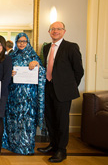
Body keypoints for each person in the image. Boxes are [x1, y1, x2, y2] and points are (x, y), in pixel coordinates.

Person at [37, 21, 84, 163]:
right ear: (49, 32)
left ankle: (61, 151)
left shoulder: (71, 47)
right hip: (48, 87)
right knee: (50, 119)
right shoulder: (46, 48)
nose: (55, 31)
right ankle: (53, 145)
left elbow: (79, 71)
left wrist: (69, 87)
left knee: (62, 121)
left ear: (64, 31)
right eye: (52, 29)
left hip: (63, 91)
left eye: (58, 29)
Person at [2, 32, 46, 155]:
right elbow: (5, 74)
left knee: (27, 121)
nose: (21, 44)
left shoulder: (33, 56)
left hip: (28, 97)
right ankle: (13, 145)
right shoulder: (12, 56)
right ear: (16, 43)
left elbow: (43, 73)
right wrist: (9, 74)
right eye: (19, 41)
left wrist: (37, 65)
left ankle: (26, 146)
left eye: (24, 41)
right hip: (14, 96)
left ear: (27, 42)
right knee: (14, 121)